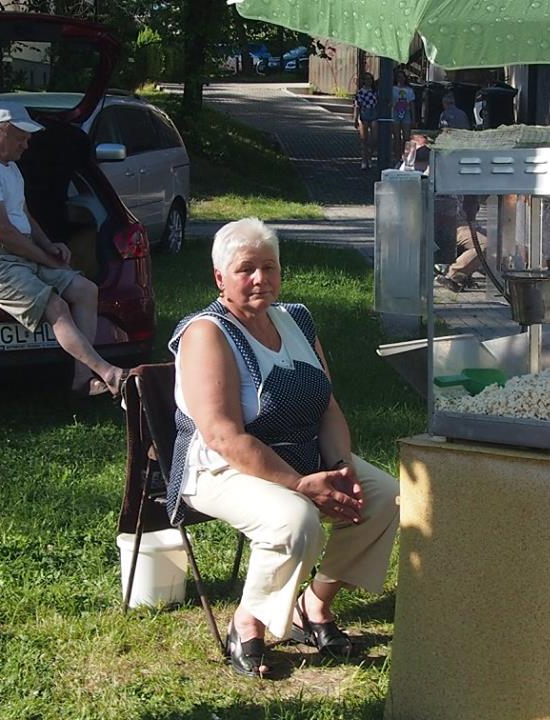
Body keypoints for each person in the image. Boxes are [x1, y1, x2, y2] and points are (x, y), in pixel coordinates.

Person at [168, 217, 399, 678]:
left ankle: (314, 605)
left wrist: (341, 467)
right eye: (246, 269)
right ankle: (246, 623)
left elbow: (326, 405)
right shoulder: (207, 333)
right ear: (220, 278)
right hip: (221, 469)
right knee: (295, 519)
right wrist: (298, 484)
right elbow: (223, 436)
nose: (261, 278)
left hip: (303, 457)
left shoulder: (296, 319)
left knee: (384, 497)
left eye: (269, 267)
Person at [0, 102, 126, 398]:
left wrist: (48, 245)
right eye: (21, 138)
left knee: (86, 290)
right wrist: (45, 259)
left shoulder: (10, 167)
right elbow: (2, 233)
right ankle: (108, 373)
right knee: (56, 307)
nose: (26, 145)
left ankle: (82, 381)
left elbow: (23, 215)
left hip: (18, 251)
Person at [436, 195, 486, 293]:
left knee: (498, 238)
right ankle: (453, 275)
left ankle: (500, 277)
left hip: (466, 223)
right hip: (452, 226)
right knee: (485, 244)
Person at [353, 72, 377, 170]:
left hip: (374, 113)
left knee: (374, 138)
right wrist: (355, 118)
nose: (368, 81)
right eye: (366, 79)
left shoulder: (375, 91)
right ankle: (364, 160)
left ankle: (370, 156)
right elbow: (357, 106)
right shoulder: (360, 92)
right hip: (364, 113)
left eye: (370, 79)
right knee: (364, 139)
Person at [392, 68, 416, 163]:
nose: (400, 79)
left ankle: (405, 157)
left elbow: (412, 104)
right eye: (399, 77)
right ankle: (397, 157)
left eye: (402, 77)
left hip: (406, 113)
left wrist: (413, 119)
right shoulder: (392, 89)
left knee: (406, 138)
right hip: (395, 113)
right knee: (397, 137)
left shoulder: (409, 90)